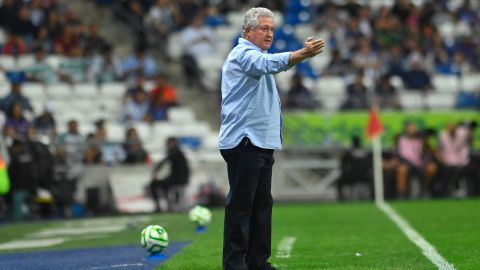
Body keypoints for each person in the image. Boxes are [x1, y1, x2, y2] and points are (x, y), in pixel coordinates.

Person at [218, 7, 325, 270]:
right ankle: (234, 264)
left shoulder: (257, 55)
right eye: (264, 28)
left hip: (260, 142)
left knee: (261, 206)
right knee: (242, 206)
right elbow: (268, 65)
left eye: (272, 29)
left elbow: (269, 64)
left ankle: (257, 262)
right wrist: (301, 54)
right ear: (248, 31)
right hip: (245, 141)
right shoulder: (242, 54)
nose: (270, 34)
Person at [149, 137, 189, 212]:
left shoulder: (176, 153)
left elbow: (165, 161)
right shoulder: (178, 153)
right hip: (177, 178)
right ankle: (166, 205)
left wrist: (156, 171)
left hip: (178, 179)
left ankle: (164, 206)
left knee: (155, 184)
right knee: (159, 185)